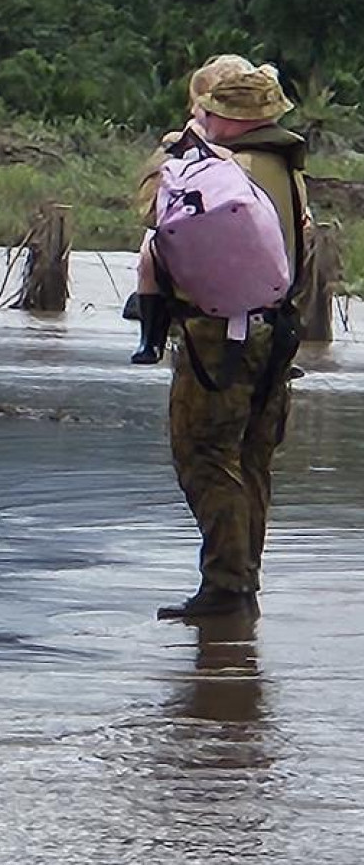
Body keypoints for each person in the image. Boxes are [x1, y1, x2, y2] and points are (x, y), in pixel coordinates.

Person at [152, 66, 311, 622]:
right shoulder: (286, 168)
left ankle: (225, 587)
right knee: (252, 458)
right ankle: (242, 584)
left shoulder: (219, 170)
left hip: (220, 336)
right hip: (278, 331)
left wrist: (170, 158)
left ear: (224, 117)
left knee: (205, 455)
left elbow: (162, 224)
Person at [127, 54, 256, 364]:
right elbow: (152, 197)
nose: (194, 111)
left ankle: (284, 341)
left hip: (239, 226)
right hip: (190, 221)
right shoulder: (181, 141)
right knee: (148, 254)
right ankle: (150, 338)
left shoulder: (257, 146)